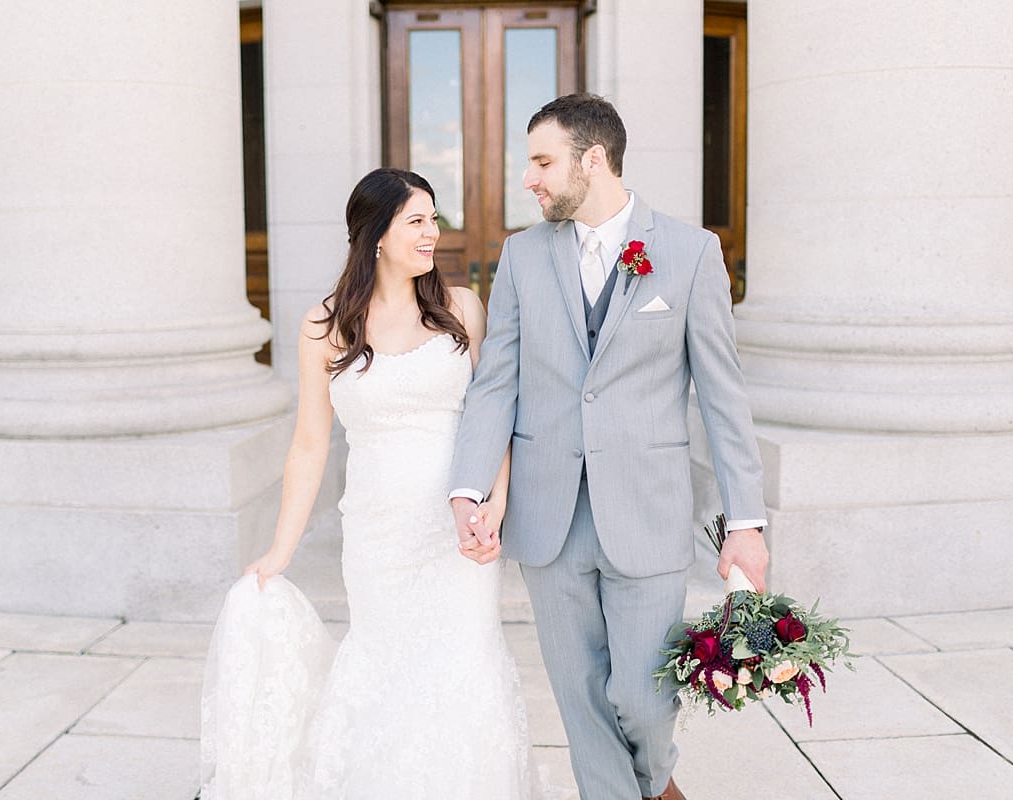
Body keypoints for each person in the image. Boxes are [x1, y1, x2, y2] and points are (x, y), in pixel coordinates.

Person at [450, 94, 769, 800]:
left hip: (648, 514)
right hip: (547, 515)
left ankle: (655, 785)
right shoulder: (523, 256)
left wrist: (745, 521)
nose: (529, 180)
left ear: (592, 160)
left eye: (542, 162)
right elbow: (496, 382)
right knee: (580, 700)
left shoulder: (689, 254)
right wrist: (468, 488)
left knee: (643, 698)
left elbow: (723, 397)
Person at [200, 168, 532, 799]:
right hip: (380, 533)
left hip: (457, 529)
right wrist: (281, 549)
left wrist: (496, 503)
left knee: (464, 663)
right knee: (384, 663)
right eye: (417, 220)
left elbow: (497, 418)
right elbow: (309, 444)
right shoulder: (325, 328)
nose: (433, 233)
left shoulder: (463, 309)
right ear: (376, 234)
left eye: (435, 218)